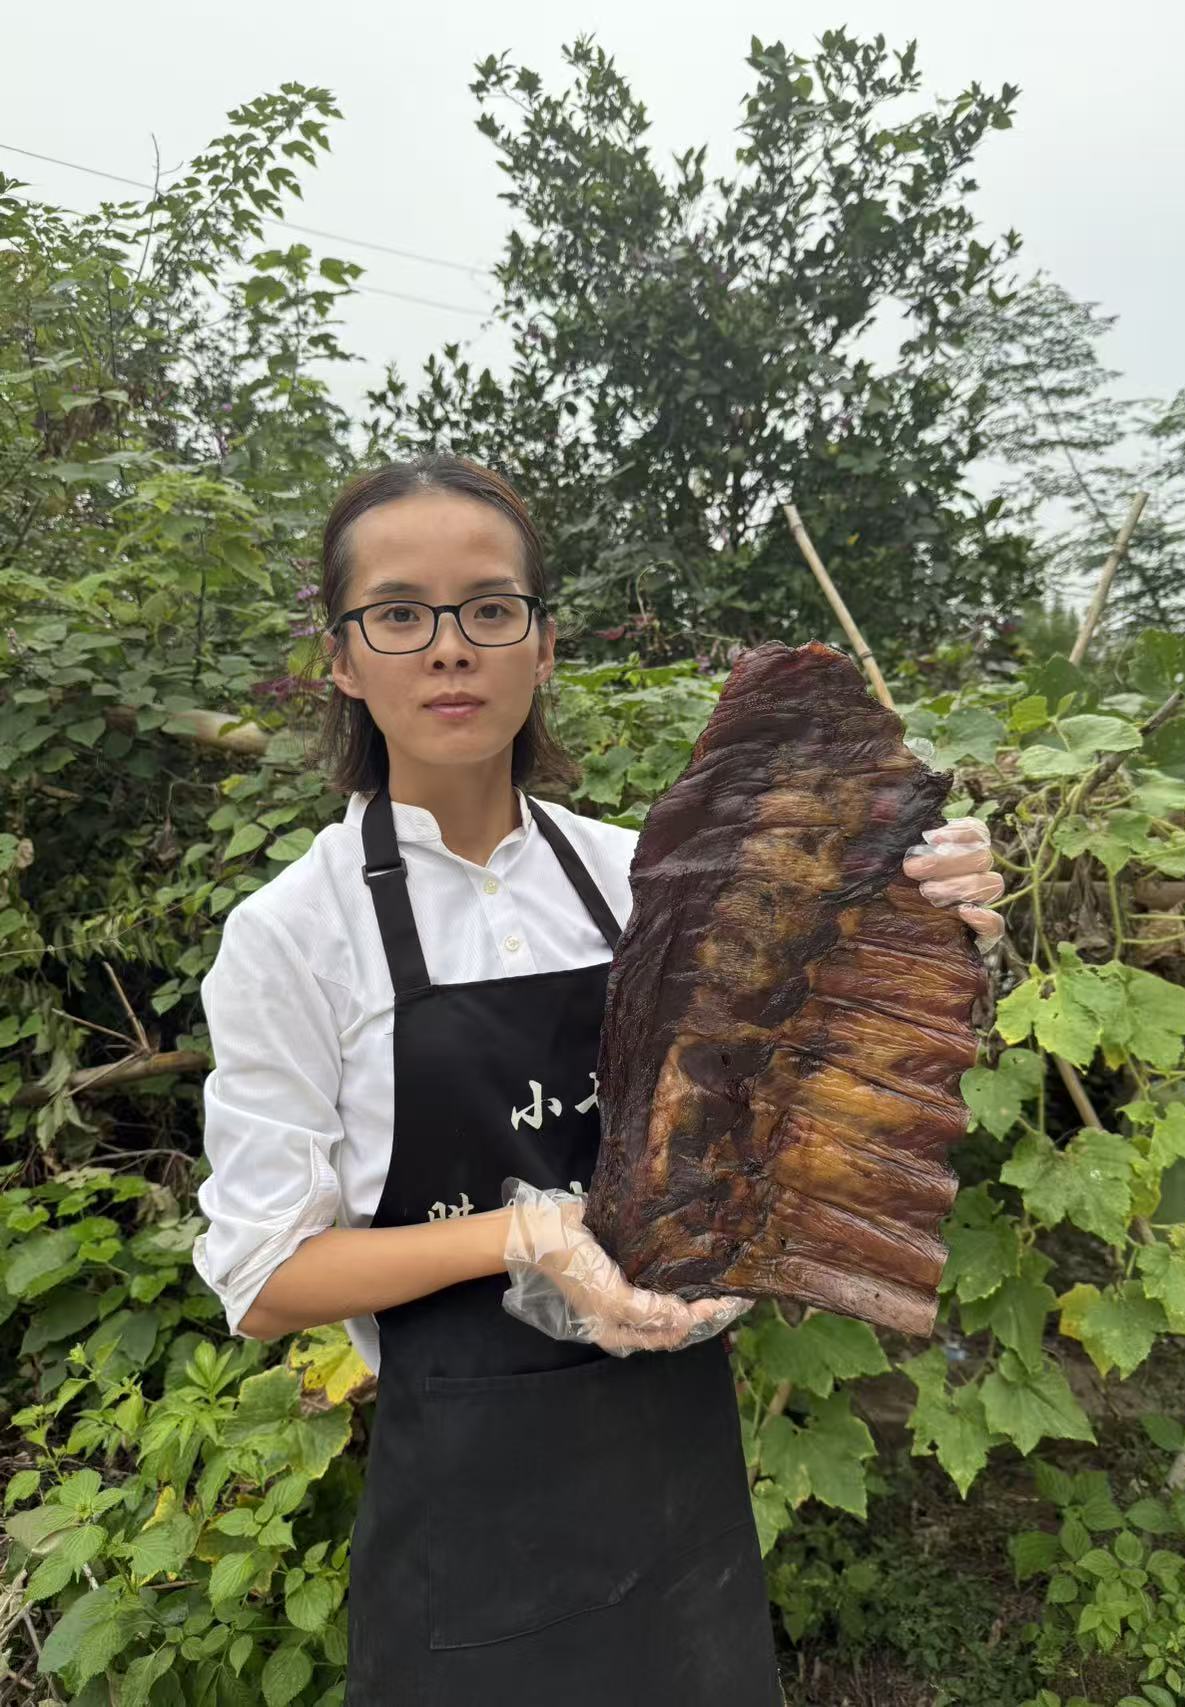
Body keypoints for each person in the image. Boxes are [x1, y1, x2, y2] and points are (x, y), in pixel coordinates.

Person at [192, 454, 1005, 1706]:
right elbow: (264, 1283)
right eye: (400, 614)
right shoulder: (293, 934)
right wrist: (524, 1235)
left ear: (542, 642)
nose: (449, 649)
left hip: (680, 1491)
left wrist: (933, 923)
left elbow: (814, 1073)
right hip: (470, 1539)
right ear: (344, 659)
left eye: (489, 609)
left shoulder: (656, 880)